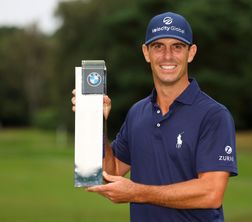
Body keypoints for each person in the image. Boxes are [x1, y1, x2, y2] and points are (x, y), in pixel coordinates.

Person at [72, 12, 238, 222]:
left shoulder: (214, 115)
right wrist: (95, 120)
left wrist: (137, 192)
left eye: (177, 46)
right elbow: (110, 173)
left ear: (191, 53)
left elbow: (211, 193)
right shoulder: (137, 113)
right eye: (158, 46)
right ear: (146, 52)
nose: (167, 55)